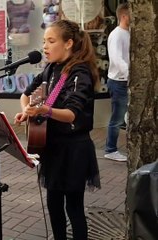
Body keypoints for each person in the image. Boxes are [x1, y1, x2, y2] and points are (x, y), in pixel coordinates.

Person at [14, 19, 101, 240]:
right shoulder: (51, 68)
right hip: (53, 147)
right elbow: (26, 94)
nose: (45, 47)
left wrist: (45, 111)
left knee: (74, 208)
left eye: (51, 41)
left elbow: (71, 114)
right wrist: (27, 112)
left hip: (73, 149)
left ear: (69, 43)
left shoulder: (79, 72)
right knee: (53, 204)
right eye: (44, 41)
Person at [104, 3, 130, 162]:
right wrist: (130, 75)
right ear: (124, 16)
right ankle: (110, 149)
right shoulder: (117, 35)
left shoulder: (128, 33)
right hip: (119, 82)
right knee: (117, 118)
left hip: (125, 81)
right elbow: (117, 59)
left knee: (124, 116)